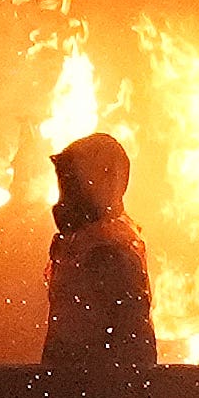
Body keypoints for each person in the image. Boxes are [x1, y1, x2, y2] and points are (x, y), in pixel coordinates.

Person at [42, 131, 158, 367]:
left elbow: (132, 346)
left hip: (93, 391)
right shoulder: (84, 241)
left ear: (108, 179)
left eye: (73, 181)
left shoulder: (112, 250)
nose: (65, 193)